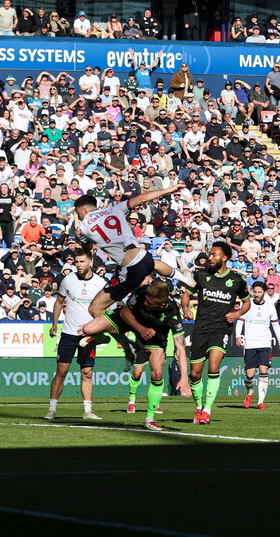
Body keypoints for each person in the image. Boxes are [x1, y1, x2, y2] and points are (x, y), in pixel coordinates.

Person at [74, 181, 189, 322]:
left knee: (95, 308)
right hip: (143, 256)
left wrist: (81, 238)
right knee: (153, 263)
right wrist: (169, 189)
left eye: (77, 212)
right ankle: (185, 279)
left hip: (130, 269)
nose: (77, 215)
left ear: (84, 210)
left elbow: (87, 251)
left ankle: (126, 338)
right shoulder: (114, 209)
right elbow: (143, 198)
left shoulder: (84, 227)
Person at [85, 281, 191, 431]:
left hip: (155, 335)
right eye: (146, 299)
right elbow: (124, 311)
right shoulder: (142, 292)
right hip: (132, 321)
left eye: (149, 302)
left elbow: (180, 348)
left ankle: (149, 419)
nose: (145, 303)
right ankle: (107, 339)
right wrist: (140, 329)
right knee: (88, 328)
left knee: (157, 373)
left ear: (161, 305)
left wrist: (184, 378)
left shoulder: (172, 313)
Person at [181, 241, 251, 425]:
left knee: (213, 367)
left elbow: (247, 302)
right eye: (210, 255)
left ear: (225, 258)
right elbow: (186, 294)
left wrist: (237, 314)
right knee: (195, 374)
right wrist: (186, 308)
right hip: (201, 328)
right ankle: (198, 407)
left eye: (213, 255)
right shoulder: (201, 275)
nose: (209, 258)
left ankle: (207, 411)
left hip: (221, 329)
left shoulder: (236, 281)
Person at [45, 249, 107, 421]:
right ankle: (52, 409)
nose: (78, 265)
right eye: (76, 262)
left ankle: (88, 410)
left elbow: (106, 309)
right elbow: (59, 302)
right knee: (61, 372)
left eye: (81, 262)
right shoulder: (68, 280)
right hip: (68, 334)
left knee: (87, 372)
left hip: (89, 335)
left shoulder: (100, 283)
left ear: (90, 262)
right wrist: (54, 324)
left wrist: (98, 327)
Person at [236, 281, 280, 410]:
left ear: (264, 292)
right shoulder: (247, 304)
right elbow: (240, 321)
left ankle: (260, 402)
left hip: (265, 343)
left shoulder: (270, 306)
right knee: (249, 375)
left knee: (264, 371)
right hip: (250, 343)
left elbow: (275, 325)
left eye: (259, 292)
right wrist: (238, 336)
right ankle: (250, 392)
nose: (257, 294)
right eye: (255, 292)